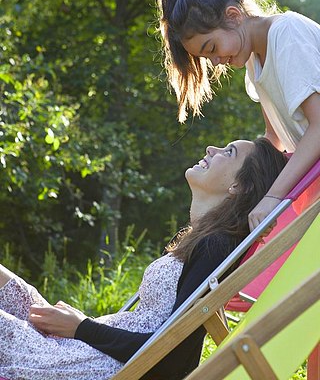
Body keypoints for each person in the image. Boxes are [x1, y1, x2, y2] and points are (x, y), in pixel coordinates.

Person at [0, 138, 287, 380]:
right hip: (94, 349)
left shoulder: (217, 246)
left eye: (229, 152)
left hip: (102, 364)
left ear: (239, 186)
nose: (212, 149)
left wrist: (81, 327)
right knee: (10, 288)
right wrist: (80, 328)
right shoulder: (208, 240)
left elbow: (174, 356)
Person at [157, 0, 320, 231]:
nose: (216, 61)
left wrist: (273, 197)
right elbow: (274, 140)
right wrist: (238, 189)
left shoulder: (286, 35)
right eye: (206, 58)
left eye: (212, 48)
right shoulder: (255, 61)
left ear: (233, 16)